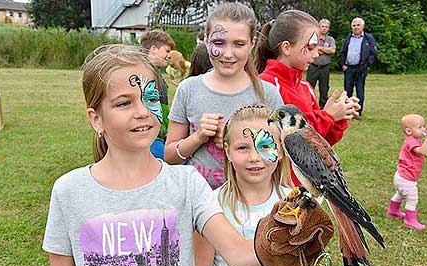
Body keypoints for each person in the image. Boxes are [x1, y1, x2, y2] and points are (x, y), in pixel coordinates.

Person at [42, 44, 264, 266]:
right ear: (96, 119)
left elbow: (240, 256)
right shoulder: (69, 191)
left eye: (151, 98)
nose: (143, 112)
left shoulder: (188, 184)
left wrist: (291, 239)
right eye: (124, 103)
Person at [165, 2, 283, 190]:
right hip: (198, 203)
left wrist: (238, 142)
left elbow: (280, 155)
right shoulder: (188, 89)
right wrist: (198, 137)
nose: (228, 54)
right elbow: (169, 157)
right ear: (206, 40)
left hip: (251, 204)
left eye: (239, 44)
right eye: (219, 43)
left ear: (252, 43)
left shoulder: (268, 94)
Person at [195, 104, 297, 266]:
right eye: (243, 147)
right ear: (227, 151)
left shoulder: (295, 203)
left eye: (265, 146)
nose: (254, 157)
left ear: (282, 150)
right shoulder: (209, 204)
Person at [255, 10, 359, 185]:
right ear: (286, 47)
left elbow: (319, 144)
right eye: (310, 47)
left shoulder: (305, 87)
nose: (317, 53)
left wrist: (340, 117)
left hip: (309, 184)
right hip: (277, 186)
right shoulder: (266, 85)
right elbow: (275, 138)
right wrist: (328, 116)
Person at [386, 114, 427, 230]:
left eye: (423, 126)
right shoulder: (411, 142)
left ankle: (393, 211)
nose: (423, 129)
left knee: (400, 194)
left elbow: (425, 151)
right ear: (408, 131)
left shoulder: (415, 140)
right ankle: (410, 220)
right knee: (412, 198)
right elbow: (422, 152)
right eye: (420, 127)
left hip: (402, 176)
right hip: (406, 178)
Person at [140, 29, 175, 158]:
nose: (169, 55)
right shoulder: (143, 72)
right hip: (151, 138)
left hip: (160, 133)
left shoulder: (155, 72)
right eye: (166, 50)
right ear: (153, 48)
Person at [338, 17, 378, 119]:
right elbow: (342, 52)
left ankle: (358, 113)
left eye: (358, 25)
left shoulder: (368, 38)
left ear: (362, 26)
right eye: (354, 25)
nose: (356, 27)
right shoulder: (348, 39)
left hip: (361, 69)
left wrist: (366, 64)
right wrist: (343, 65)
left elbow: (374, 54)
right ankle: (347, 112)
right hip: (349, 68)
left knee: (360, 90)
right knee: (347, 91)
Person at [306, 19, 336, 109]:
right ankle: (308, 105)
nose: (324, 28)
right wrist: (321, 50)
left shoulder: (330, 39)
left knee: (324, 88)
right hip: (313, 66)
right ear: (319, 27)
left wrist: (320, 48)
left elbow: (332, 50)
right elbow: (310, 48)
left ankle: (323, 107)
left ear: (328, 28)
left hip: (324, 67)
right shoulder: (314, 38)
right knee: (309, 87)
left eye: (326, 27)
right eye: (322, 26)